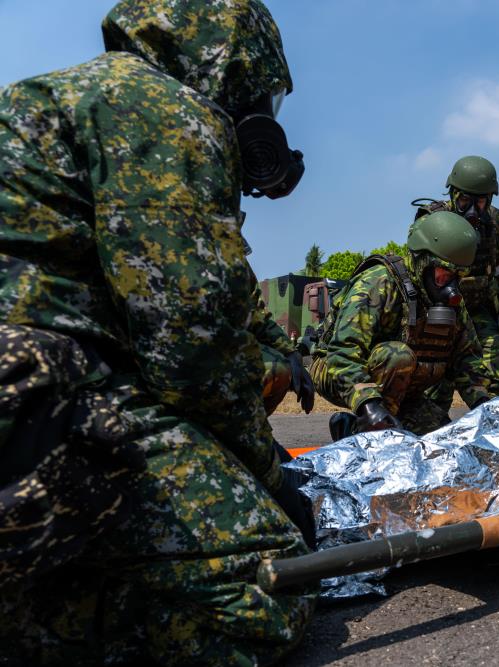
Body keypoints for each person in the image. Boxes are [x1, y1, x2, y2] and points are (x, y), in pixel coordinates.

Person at [0, 1, 315, 663]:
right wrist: (267, 476)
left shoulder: (62, 95)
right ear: (236, 57)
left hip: (29, 392)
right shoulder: (163, 108)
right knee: (267, 584)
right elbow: (190, 344)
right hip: (34, 395)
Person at [310, 211, 493, 436]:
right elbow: (343, 351)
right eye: (444, 275)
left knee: (439, 441)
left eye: (458, 277)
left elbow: (468, 360)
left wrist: (486, 407)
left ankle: (367, 426)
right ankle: (362, 430)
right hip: (337, 368)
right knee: (397, 356)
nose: (451, 287)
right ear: (422, 261)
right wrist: (368, 405)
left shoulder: (451, 302)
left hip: (402, 385)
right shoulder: (378, 283)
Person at [417, 156, 499, 409]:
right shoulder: (433, 219)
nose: (472, 209)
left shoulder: (496, 221)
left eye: (480, 201)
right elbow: (420, 267)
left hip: (479, 308)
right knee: (435, 382)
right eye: (464, 201)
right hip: (442, 309)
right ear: (453, 193)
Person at [251, 285, 316, 415]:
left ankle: (249, 427)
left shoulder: (233, 267)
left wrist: (291, 353)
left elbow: (257, 316)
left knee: (280, 368)